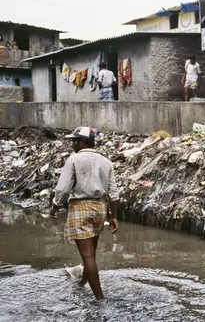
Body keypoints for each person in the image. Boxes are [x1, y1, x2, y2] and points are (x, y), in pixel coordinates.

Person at [50, 126, 120, 300]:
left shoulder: (74, 159)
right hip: (100, 209)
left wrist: (55, 206)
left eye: (74, 141)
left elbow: (63, 189)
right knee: (92, 253)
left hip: (80, 207)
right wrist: (114, 216)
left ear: (82, 142)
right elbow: (114, 193)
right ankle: (82, 282)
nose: (72, 144)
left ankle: (100, 298)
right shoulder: (106, 162)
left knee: (87, 256)